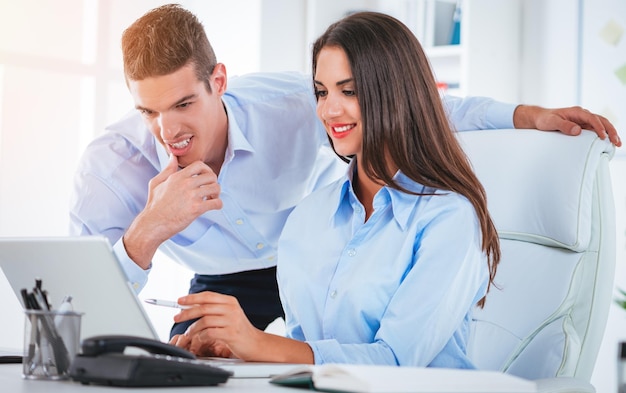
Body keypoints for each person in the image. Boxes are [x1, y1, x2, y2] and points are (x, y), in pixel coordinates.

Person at [69, 4, 621, 339]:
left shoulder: (296, 103)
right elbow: (76, 306)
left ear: (218, 80)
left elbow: (413, 105)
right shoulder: (111, 165)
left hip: (319, 272)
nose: (167, 132)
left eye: (184, 104)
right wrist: (145, 235)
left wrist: (524, 115)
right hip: (218, 285)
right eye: (149, 111)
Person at [168, 11, 500, 367]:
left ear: (397, 93)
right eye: (321, 92)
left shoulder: (449, 219)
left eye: (350, 91)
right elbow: (306, 354)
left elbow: (396, 362)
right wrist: (232, 348)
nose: (329, 109)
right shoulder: (308, 217)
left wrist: (258, 343)